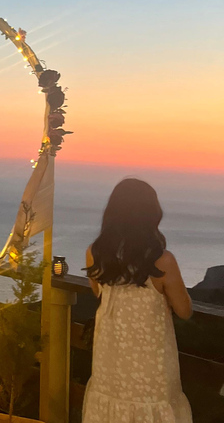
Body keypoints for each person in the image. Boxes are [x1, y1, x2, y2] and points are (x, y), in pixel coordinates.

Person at [82, 178, 193, 423]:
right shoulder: (162, 261)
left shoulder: (94, 253)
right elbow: (184, 310)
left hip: (109, 362)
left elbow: (99, 294)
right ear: (151, 214)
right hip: (151, 367)